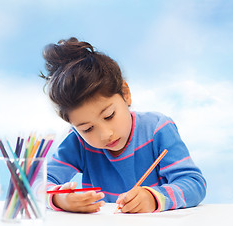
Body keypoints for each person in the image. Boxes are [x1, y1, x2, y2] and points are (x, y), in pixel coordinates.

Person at [40, 37, 206, 213]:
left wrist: (154, 198)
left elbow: (194, 184)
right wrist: (59, 198)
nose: (105, 134)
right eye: (87, 129)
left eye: (109, 116)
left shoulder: (157, 129)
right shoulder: (78, 142)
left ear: (125, 94)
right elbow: (35, 183)